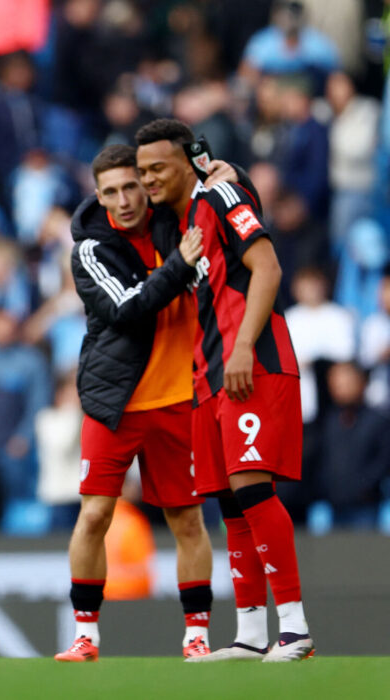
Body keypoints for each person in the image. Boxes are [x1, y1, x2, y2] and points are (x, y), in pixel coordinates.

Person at [136, 118, 313, 662]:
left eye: (158, 167)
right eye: (142, 171)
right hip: (209, 377)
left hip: (250, 364)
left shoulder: (218, 195)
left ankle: (296, 627)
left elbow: (268, 267)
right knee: (231, 505)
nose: (148, 181)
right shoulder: (188, 218)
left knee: (253, 490)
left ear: (191, 161)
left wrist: (241, 348)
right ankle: (252, 633)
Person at [57, 144, 213, 662]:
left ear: (145, 185)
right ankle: (85, 634)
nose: (123, 201)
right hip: (115, 403)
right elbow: (128, 310)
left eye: (131, 187)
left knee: (187, 521)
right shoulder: (90, 249)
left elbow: (215, 191)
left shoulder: (175, 221)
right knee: (96, 513)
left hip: (177, 400)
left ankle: (197, 635)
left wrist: (216, 166)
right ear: (97, 196)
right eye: (110, 192)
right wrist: (178, 266)